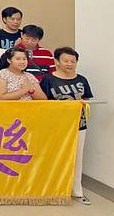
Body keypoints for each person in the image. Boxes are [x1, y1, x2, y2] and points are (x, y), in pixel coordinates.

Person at [39, 47, 93, 205]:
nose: (70, 64)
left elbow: (88, 99)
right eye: (66, 61)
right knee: (54, 156)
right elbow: (42, 102)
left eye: (73, 61)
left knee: (77, 158)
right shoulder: (48, 79)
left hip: (79, 124)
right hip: (57, 125)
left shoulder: (82, 79)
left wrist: (83, 103)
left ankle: (77, 191)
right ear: (57, 62)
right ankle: (52, 189)